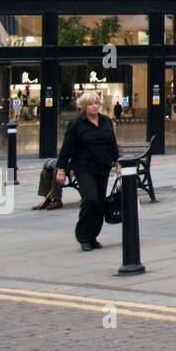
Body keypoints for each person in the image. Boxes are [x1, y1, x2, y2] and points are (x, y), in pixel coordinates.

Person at [54, 90, 120, 250]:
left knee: (100, 203)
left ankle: (93, 236)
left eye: (96, 103)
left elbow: (112, 143)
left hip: (102, 166)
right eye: (91, 104)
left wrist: (118, 162)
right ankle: (83, 236)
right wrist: (61, 168)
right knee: (91, 200)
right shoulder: (77, 124)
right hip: (83, 167)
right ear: (84, 106)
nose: (94, 106)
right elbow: (67, 148)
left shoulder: (105, 121)